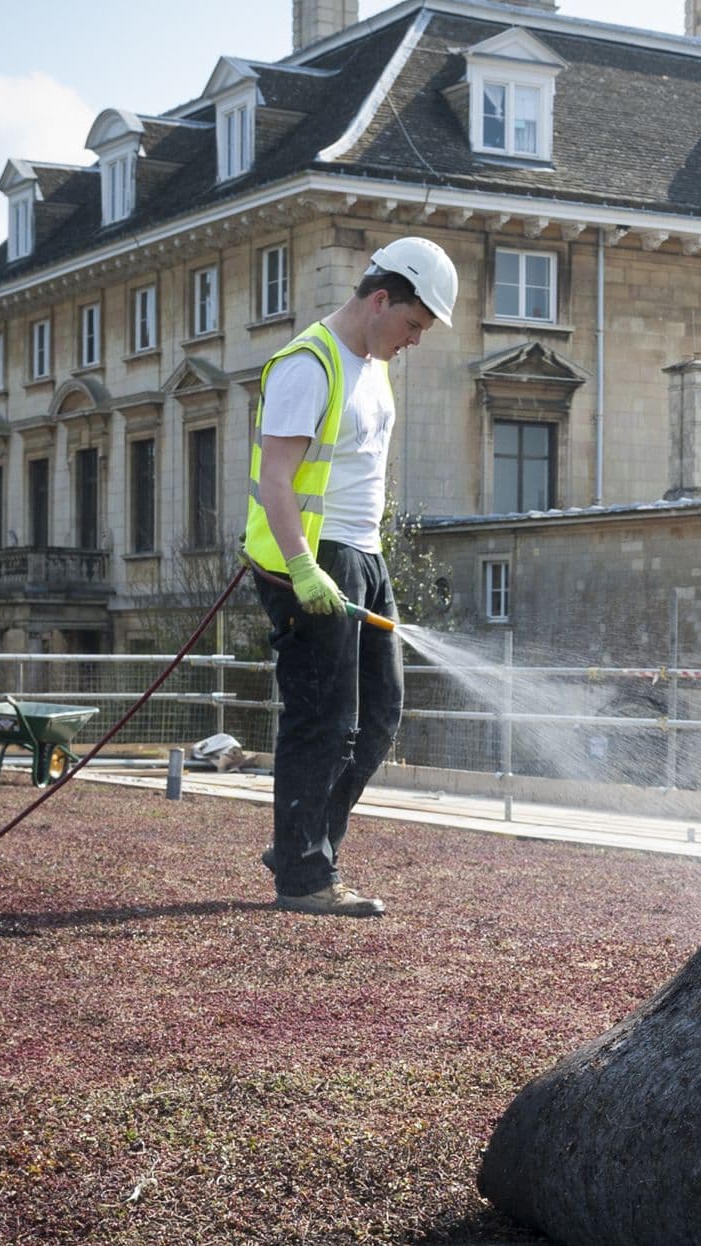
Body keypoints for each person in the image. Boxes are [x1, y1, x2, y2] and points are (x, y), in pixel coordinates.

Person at [241, 237, 456, 917]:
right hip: (314, 557)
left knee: (380, 713)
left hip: (363, 555)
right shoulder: (310, 364)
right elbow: (276, 479)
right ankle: (304, 878)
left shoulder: (372, 362)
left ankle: (302, 843)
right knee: (322, 718)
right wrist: (302, 568)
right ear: (380, 299)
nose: (415, 341)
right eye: (413, 325)